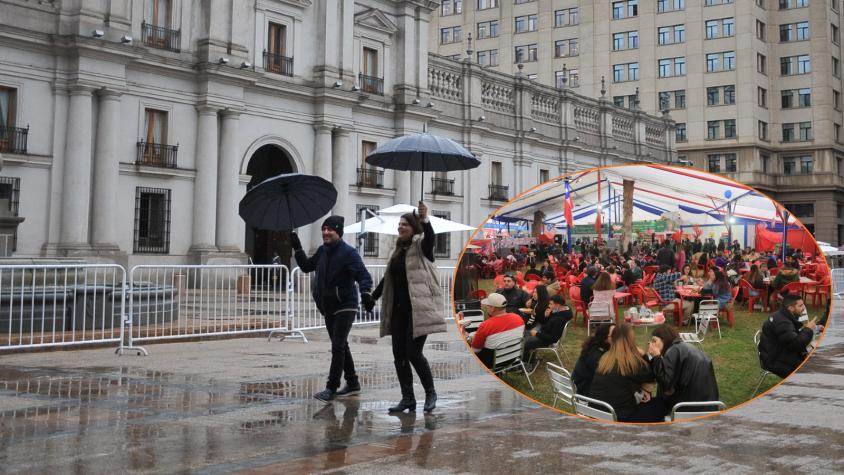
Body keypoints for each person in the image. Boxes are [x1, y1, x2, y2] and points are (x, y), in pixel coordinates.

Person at [368, 202, 446, 413]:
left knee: (413, 352)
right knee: (399, 354)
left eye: (405, 224)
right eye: (399, 224)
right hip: (399, 310)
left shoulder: (422, 247)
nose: (400, 227)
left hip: (419, 310)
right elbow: (388, 278)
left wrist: (425, 220)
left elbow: (430, 239)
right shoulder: (398, 250)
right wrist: (373, 297)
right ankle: (407, 398)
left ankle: (430, 393)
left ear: (413, 228)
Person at [291, 216, 374, 402]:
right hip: (328, 306)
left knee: (337, 346)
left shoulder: (349, 253)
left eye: (331, 230)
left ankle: (331, 387)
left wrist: (366, 292)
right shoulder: (322, 251)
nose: (326, 232)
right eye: (324, 229)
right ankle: (352, 382)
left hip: (346, 304)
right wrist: (297, 247)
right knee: (342, 345)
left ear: (339, 232)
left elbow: (363, 275)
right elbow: (306, 267)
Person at [589, 323, 667, 422]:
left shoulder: (605, 358)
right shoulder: (632, 362)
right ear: (631, 340)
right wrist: (652, 356)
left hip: (596, 413)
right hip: (619, 417)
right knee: (662, 403)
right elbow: (652, 375)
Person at [647, 325, 720, 411]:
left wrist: (656, 357)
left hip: (691, 407)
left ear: (664, 339)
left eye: (654, 341)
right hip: (709, 403)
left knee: (656, 404)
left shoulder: (673, 350)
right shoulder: (683, 346)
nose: (652, 345)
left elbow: (665, 384)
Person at [759, 294, 817, 378]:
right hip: (774, 360)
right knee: (810, 371)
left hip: (778, 353)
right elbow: (795, 345)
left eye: (803, 304)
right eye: (800, 306)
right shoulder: (783, 323)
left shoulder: (783, 315)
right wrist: (808, 329)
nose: (804, 308)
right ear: (791, 308)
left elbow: (791, 341)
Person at [467, 293, 525, 368]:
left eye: (487, 306)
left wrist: (471, 339)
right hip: (513, 357)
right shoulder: (518, 318)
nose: (487, 308)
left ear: (492, 308)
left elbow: (475, 350)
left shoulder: (486, 325)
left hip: (492, 362)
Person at [522, 294, 572, 366]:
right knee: (524, 333)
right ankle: (527, 357)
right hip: (544, 333)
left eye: (551, 304)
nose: (549, 305)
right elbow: (549, 324)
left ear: (557, 305)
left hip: (546, 340)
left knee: (526, 342)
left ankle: (529, 363)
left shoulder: (560, 320)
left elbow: (553, 339)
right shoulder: (563, 310)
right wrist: (547, 316)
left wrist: (537, 334)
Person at [571, 323, 615, 397]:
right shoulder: (596, 355)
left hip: (585, 386)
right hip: (586, 392)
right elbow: (611, 378)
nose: (619, 337)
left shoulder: (595, 347)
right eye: (615, 334)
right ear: (605, 338)